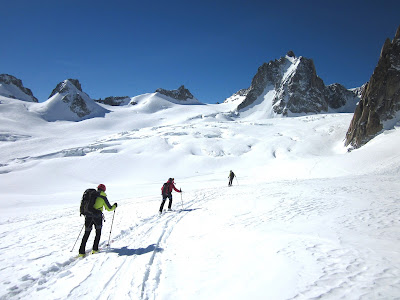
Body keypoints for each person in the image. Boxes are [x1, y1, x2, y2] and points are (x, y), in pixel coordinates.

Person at [79, 184, 117, 256]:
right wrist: (114, 206)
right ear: (104, 190)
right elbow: (109, 208)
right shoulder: (103, 197)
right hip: (97, 217)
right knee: (98, 233)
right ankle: (95, 249)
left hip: (88, 217)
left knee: (86, 234)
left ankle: (81, 252)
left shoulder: (91, 195)